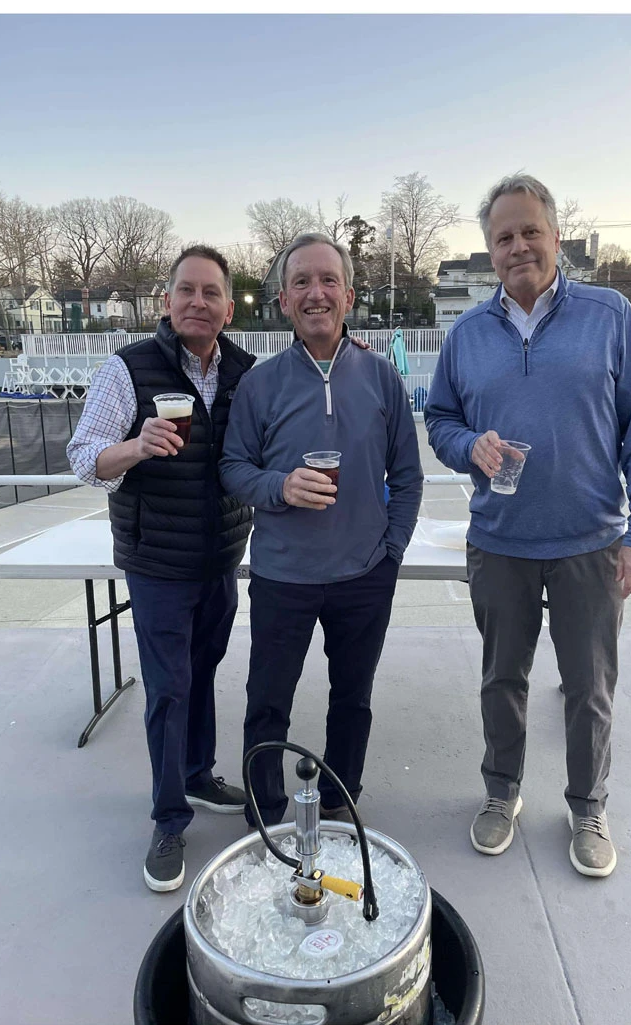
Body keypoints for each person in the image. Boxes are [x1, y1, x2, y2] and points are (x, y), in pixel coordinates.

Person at [424, 174, 631, 878]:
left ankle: (588, 807)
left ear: (556, 237)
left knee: (589, 688)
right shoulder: (467, 335)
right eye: (503, 237)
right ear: (488, 252)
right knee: (501, 678)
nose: (517, 246)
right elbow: (439, 421)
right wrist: (467, 447)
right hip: (499, 542)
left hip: (591, 543)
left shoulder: (610, 315)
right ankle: (502, 793)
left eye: (530, 231)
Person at [67, 245, 256, 892]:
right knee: (168, 689)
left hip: (220, 559)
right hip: (157, 564)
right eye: (186, 291)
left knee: (201, 675)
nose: (197, 302)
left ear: (229, 309)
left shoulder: (244, 372)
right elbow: (84, 457)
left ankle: (199, 774)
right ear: (167, 302)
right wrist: (136, 445)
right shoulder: (128, 370)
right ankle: (169, 817)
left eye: (211, 293)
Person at [219, 233, 423, 829]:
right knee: (267, 704)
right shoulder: (260, 383)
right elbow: (233, 468)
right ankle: (266, 811)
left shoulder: (382, 377)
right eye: (302, 282)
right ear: (282, 300)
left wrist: (392, 551)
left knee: (352, 700)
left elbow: (407, 476)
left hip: (365, 574)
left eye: (328, 281)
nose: (316, 293)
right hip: (283, 576)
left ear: (349, 295)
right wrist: (280, 487)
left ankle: (338, 799)